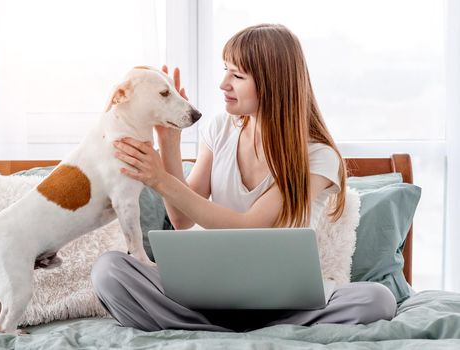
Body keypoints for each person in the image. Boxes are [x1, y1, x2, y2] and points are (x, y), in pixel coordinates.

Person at [91, 23, 397, 332]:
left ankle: (198, 328)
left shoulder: (317, 156)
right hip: (210, 292)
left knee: (378, 299)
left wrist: (159, 179)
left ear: (273, 83)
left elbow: (249, 226)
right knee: (109, 270)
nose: (224, 83)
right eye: (226, 70)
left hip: (286, 304)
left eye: (237, 76)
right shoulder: (221, 128)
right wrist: (170, 143)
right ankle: (221, 328)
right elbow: (181, 219)